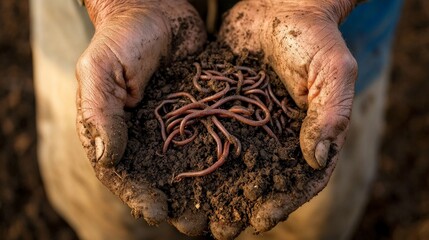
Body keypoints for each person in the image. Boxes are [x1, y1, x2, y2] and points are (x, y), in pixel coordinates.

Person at [30, 0, 402, 239]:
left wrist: (311, 6)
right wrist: (118, 5)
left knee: (315, 221)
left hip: (334, 26)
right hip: (109, 34)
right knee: (108, 213)